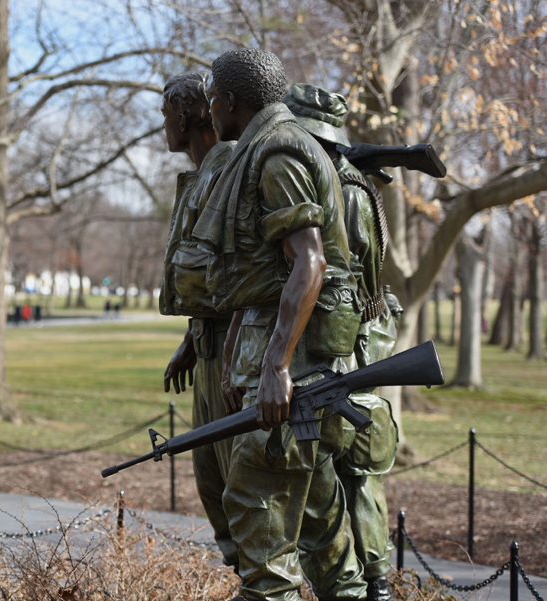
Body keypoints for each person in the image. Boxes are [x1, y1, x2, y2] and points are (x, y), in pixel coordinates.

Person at [192, 48, 365, 601]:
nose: (210, 108)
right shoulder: (264, 148)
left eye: (213, 97)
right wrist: (239, 352)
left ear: (231, 102)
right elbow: (261, 275)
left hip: (295, 381)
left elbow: (308, 262)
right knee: (324, 539)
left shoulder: (277, 155)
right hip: (292, 378)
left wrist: (275, 366)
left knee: (260, 538)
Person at [284, 83, 402, 601]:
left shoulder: (332, 188)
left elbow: (334, 281)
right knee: (361, 478)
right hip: (363, 347)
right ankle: (374, 581)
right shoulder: (360, 186)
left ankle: (360, 586)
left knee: (334, 479)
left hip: (338, 353)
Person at [157, 70, 238, 569]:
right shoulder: (198, 175)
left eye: (166, 114)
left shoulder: (228, 167)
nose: (163, 125)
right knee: (213, 487)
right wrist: (192, 336)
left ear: (184, 115)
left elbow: (242, 266)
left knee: (244, 492)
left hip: (234, 351)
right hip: (207, 346)